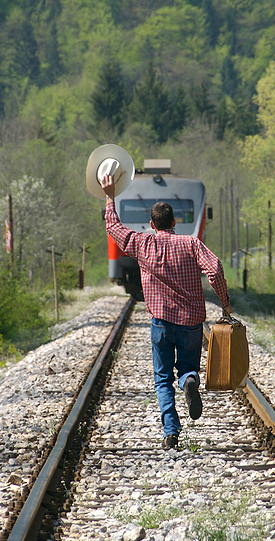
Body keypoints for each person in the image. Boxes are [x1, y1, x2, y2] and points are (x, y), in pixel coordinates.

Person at [100, 172, 234, 449]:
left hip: (160, 322)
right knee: (186, 368)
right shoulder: (191, 244)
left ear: (152, 224)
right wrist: (225, 303)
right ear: (174, 222)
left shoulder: (142, 243)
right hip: (191, 323)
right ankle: (190, 381)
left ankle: (170, 432)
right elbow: (215, 269)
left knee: (162, 379)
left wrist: (109, 195)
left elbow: (113, 227)